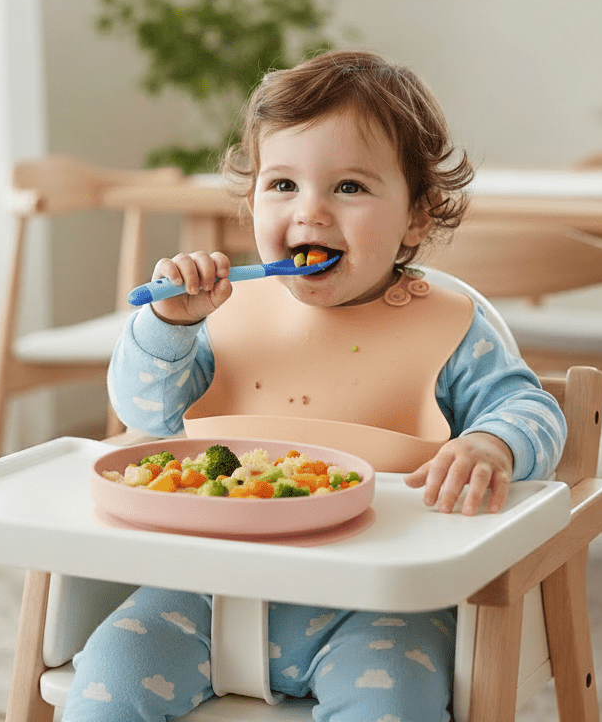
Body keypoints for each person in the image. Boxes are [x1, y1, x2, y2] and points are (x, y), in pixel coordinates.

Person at [64, 49, 566, 722]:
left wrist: (491, 445)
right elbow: (146, 414)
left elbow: (529, 406)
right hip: (203, 591)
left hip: (377, 605)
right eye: (283, 186)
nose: (311, 212)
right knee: (103, 683)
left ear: (418, 216)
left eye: (350, 188)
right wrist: (166, 326)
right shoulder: (221, 317)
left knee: (396, 705)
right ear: (251, 203)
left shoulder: (450, 327)